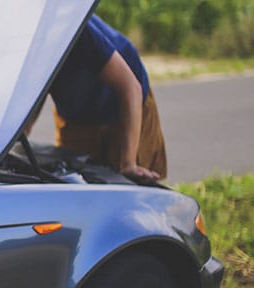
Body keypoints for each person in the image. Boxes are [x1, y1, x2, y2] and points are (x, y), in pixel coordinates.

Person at [47, 14, 167, 183]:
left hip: (125, 103)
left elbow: (130, 88)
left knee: (129, 184)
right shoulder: (17, 42)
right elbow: (30, 96)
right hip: (76, 111)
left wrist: (129, 163)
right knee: (75, 182)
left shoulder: (74, 29)